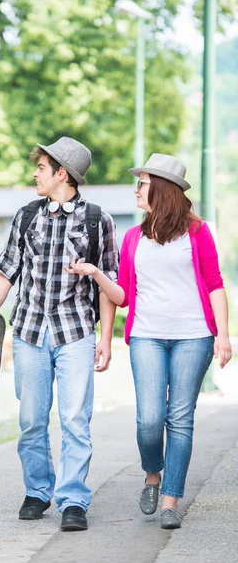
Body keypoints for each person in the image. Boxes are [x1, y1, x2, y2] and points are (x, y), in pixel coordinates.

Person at [66, 153, 232, 529]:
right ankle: (152, 474)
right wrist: (93, 272)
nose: (136, 189)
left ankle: (171, 499)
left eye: (141, 183)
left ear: (162, 189)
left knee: (180, 418)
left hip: (194, 336)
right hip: (146, 336)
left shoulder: (198, 232)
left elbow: (215, 284)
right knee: (149, 419)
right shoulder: (133, 237)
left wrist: (222, 334)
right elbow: (122, 294)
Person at [0, 137, 118, 531]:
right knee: (32, 419)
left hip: (75, 334)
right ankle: (38, 491)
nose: (35, 173)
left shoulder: (97, 220)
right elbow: (6, 272)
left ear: (62, 173)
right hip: (29, 334)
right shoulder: (27, 217)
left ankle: (73, 498)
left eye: (42, 167)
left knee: (75, 419)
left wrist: (105, 339)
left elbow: (109, 282)